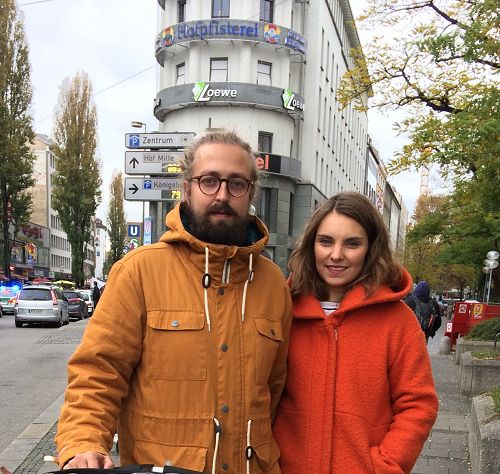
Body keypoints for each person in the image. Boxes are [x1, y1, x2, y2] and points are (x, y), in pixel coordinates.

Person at [55, 129, 293, 473]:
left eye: (237, 183)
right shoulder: (139, 272)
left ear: (251, 192)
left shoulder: (273, 283)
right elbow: (98, 375)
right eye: (209, 180)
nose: (222, 195)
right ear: (186, 188)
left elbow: (274, 389)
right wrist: (83, 443)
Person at [273, 192, 438, 474]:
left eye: (352, 243)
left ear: (370, 248)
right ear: (312, 245)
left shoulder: (397, 321)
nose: (336, 255)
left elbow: (418, 404)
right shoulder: (281, 312)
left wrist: (385, 464)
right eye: (325, 241)